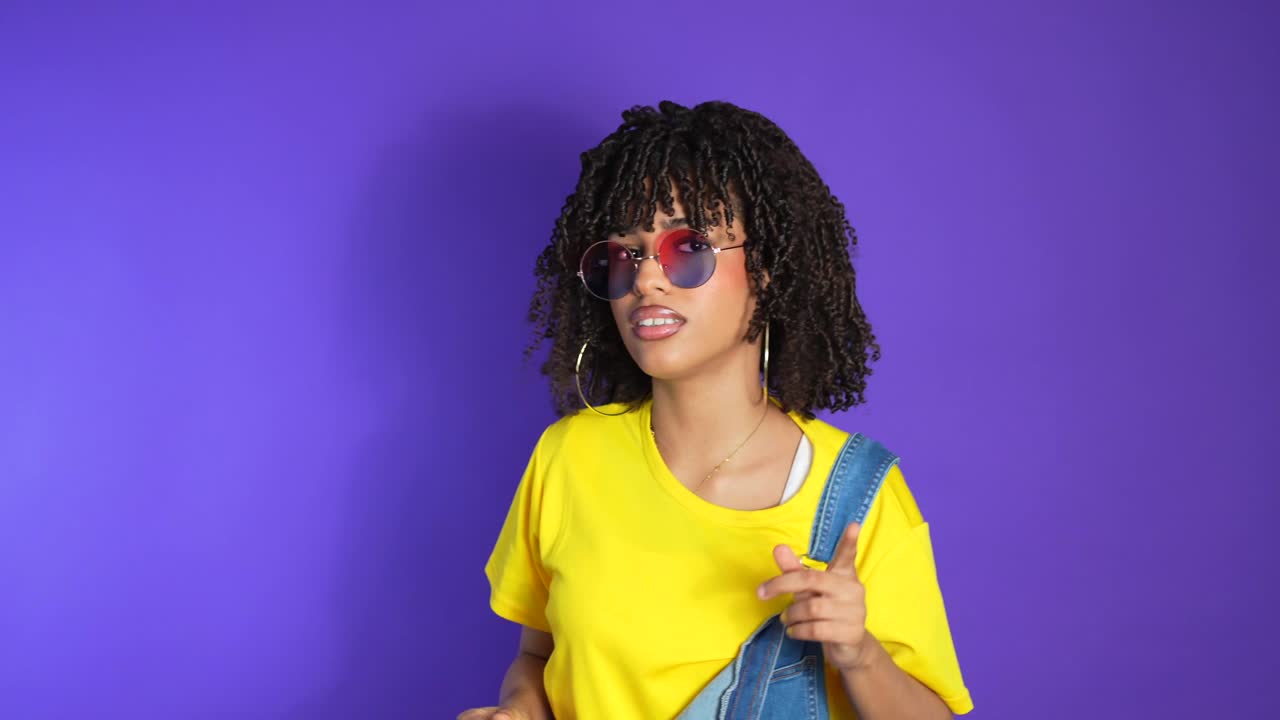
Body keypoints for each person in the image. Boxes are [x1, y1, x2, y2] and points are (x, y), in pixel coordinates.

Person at [458, 100, 973, 719]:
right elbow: (537, 658)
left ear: (769, 271)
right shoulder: (567, 457)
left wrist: (858, 653)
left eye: (688, 248)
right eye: (624, 255)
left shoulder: (860, 496)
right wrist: (518, 711)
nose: (647, 280)